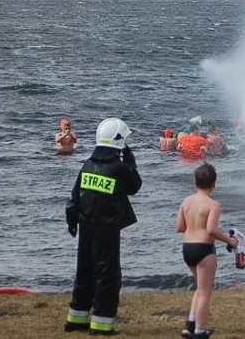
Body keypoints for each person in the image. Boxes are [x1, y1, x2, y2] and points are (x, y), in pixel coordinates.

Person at [64, 117, 142, 335]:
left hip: (86, 227)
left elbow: (74, 197)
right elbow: (134, 186)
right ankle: (102, 323)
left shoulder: (88, 164)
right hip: (107, 231)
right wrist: (130, 161)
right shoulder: (119, 168)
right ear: (118, 141)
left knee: (84, 270)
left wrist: (72, 221)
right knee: (107, 274)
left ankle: (76, 318)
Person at [176, 162, 238, 339]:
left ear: (195, 182)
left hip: (187, 248)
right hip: (204, 250)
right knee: (205, 291)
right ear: (214, 183)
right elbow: (211, 230)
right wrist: (230, 241)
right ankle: (200, 331)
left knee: (200, 287)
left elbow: (180, 227)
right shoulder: (213, 204)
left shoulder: (186, 202)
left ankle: (190, 324)